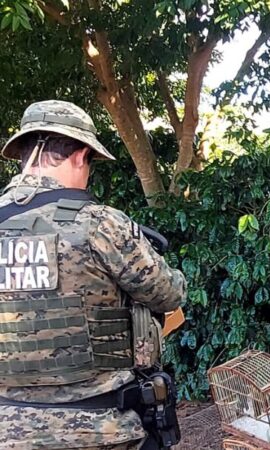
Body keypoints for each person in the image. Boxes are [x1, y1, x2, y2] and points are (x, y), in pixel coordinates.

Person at [0, 100, 186, 449]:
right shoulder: (99, 224)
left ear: (22, 154)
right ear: (80, 155)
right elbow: (170, 295)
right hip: (100, 429)